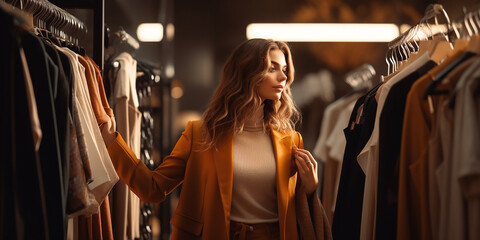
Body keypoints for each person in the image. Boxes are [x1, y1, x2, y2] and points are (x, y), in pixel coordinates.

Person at [101, 38, 320, 240]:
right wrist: (112, 142)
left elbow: (298, 211)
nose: (283, 76)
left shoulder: (291, 140)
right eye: (272, 68)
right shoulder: (201, 134)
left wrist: (310, 189)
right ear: (246, 72)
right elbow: (153, 188)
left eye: (283, 69)